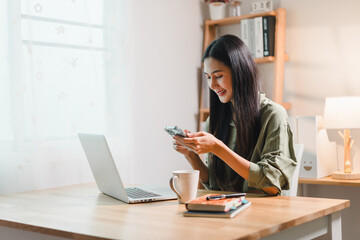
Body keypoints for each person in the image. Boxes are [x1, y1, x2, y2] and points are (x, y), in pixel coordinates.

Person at [173, 34, 296, 196]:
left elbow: (272, 185)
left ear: (240, 72)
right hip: (225, 212)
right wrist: (192, 156)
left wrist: (218, 148)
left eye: (218, 76)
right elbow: (213, 184)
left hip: (262, 213)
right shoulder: (214, 122)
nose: (212, 85)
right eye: (208, 78)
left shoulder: (273, 115)